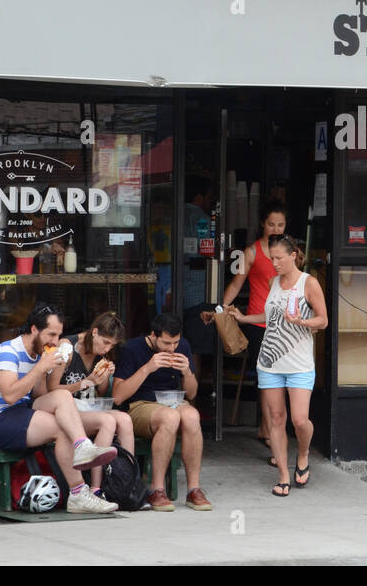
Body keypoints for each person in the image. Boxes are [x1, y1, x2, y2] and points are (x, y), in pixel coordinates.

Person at [0, 302, 120, 514]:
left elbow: (40, 395)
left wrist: (46, 369)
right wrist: (40, 368)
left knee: (61, 396)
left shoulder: (39, 354)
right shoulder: (7, 352)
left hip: (23, 411)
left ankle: (82, 448)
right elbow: (10, 396)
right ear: (34, 329)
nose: (55, 341)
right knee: (61, 428)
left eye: (58, 335)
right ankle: (79, 492)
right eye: (51, 335)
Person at [229, 233, 328, 497]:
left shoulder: (309, 283)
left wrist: (301, 322)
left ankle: (304, 453)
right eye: (271, 258)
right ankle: (283, 475)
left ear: (293, 256)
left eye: (278, 258)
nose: (273, 263)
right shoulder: (273, 281)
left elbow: (323, 321)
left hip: (299, 363)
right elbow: (270, 316)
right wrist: (244, 318)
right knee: (275, 419)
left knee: (299, 420)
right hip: (270, 361)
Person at [203, 199, 287, 446]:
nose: (276, 229)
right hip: (258, 323)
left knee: (279, 378)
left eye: (281, 225)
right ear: (263, 224)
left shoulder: (291, 252)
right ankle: (270, 430)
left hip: (285, 322)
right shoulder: (252, 252)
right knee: (268, 378)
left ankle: (266, 427)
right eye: (271, 224)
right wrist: (218, 309)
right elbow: (237, 284)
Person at [112, 313, 212, 511]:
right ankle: (157, 490)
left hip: (175, 402)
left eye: (175, 342)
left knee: (192, 415)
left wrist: (187, 372)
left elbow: (191, 394)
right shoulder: (132, 349)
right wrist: (148, 368)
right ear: (153, 335)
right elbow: (118, 396)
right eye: (166, 343)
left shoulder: (183, 346)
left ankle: (194, 489)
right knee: (170, 417)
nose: (172, 348)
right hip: (141, 405)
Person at [47, 311, 135, 494]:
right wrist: (87, 382)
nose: (107, 349)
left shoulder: (101, 355)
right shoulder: (67, 348)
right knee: (108, 421)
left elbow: (101, 392)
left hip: (87, 408)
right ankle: (96, 487)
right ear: (94, 332)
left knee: (125, 419)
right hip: (65, 412)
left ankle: (127, 483)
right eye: (105, 342)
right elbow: (51, 389)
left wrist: (104, 376)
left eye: (112, 345)